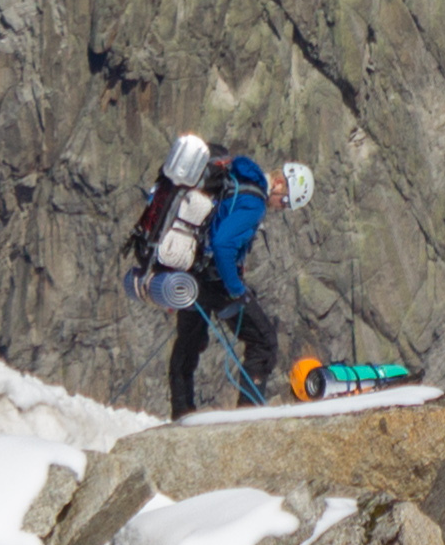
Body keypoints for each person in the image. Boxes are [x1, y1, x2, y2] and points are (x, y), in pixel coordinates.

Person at [128, 138, 315, 418]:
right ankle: (247, 416)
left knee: (189, 341)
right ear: (279, 184)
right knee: (263, 341)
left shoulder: (234, 180)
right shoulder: (254, 202)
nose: (280, 208)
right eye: (285, 201)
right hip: (212, 279)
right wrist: (236, 289)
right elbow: (224, 244)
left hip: (188, 271)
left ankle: (182, 411)